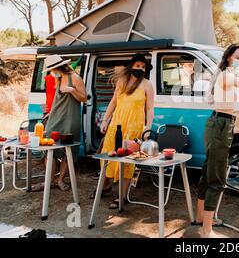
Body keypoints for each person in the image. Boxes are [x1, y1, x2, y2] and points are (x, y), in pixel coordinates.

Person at [195, 44, 239, 238]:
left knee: (208, 171)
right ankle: (207, 230)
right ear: (229, 57)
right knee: (217, 177)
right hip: (221, 124)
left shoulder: (228, 76)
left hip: (220, 123)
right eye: (238, 56)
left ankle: (201, 218)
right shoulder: (225, 75)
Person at [93, 53, 154, 209]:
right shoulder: (121, 82)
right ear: (131, 66)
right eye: (137, 65)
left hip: (134, 127)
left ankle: (122, 196)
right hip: (116, 125)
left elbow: (150, 109)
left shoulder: (147, 85)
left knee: (128, 162)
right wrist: (105, 120)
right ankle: (105, 187)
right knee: (108, 156)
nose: (140, 68)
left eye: (143, 66)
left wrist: (147, 128)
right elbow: (113, 102)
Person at [32, 54, 88, 192]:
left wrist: (72, 90)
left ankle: (61, 180)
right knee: (48, 149)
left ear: (59, 67)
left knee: (67, 151)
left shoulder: (75, 78)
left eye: (52, 69)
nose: (52, 72)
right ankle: (48, 181)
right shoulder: (58, 78)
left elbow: (84, 98)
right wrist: (49, 110)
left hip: (70, 118)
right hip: (55, 117)